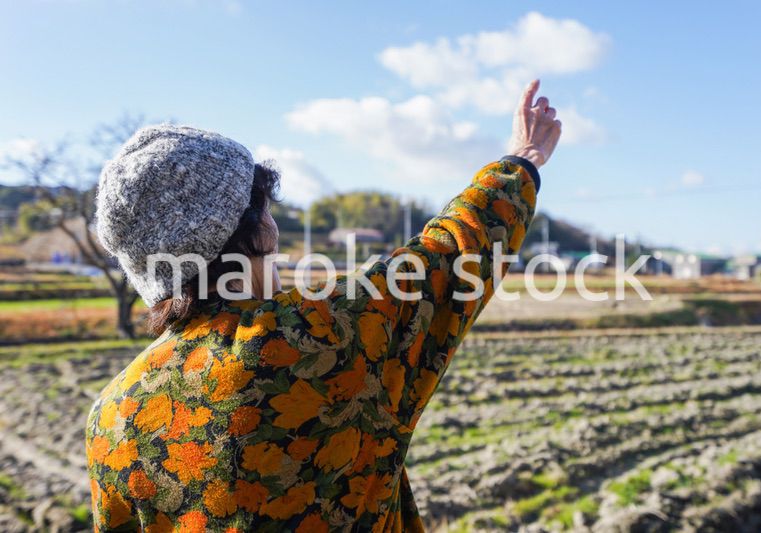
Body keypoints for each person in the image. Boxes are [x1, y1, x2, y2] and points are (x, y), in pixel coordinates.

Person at [86, 80, 561, 532]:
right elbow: (451, 254)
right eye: (267, 209)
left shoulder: (112, 416)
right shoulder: (320, 337)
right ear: (258, 232)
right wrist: (523, 160)